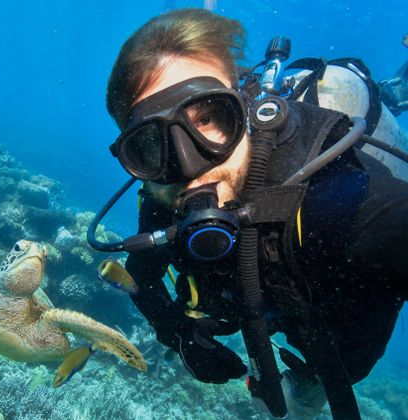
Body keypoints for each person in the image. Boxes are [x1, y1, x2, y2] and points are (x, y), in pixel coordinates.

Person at [92, 8, 408, 419]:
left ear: (244, 107)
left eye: (208, 117)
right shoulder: (161, 194)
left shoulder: (333, 194)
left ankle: (393, 93)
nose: (190, 166)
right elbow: (142, 276)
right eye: (150, 143)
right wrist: (178, 333)